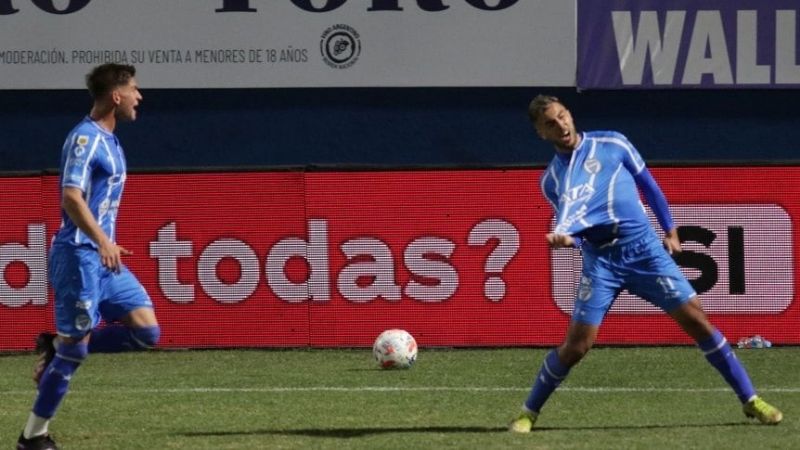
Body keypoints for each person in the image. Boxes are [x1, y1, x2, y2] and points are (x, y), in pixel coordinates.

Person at [509, 95, 783, 433]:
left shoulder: (612, 142)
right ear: (540, 133)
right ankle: (528, 412)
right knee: (577, 346)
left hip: (644, 250)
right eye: (550, 123)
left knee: (697, 321)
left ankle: (750, 398)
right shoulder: (552, 181)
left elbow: (648, 185)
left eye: (563, 115)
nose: (561, 125)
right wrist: (571, 241)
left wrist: (669, 229)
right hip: (602, 262)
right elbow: (578, 226)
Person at [17, 63, 160, 450]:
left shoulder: (110, 139)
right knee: (74, 354)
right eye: (134, 89)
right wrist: (102, 241)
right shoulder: (86, 139)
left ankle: (57, 344)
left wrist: (106, 245)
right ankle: (32, 437)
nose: (139, 96)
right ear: (116, 96)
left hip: (103, 259)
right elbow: (71, 196)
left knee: (146, 331)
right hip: (80, 256)